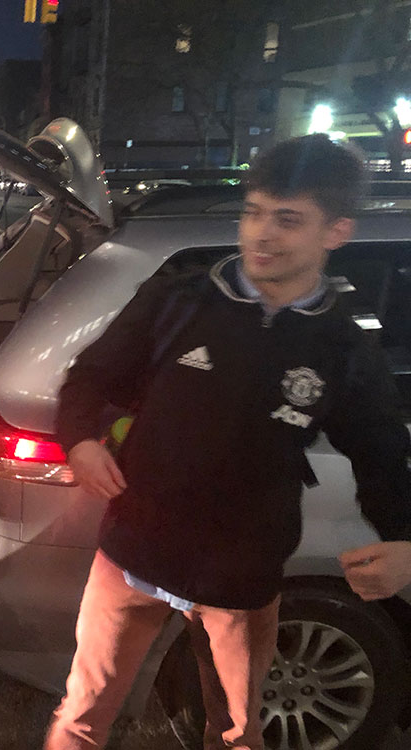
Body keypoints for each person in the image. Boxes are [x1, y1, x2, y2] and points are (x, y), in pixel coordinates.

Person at [45, 134, 411, 750]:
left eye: (287, 220)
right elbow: (90, 378)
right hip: (135, 554)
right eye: (253, 212)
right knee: (82, 716)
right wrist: (80, 439)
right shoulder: (180, 300)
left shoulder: (343, 349)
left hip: (242, 574)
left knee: (239, 733)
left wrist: (404, 539)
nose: (261, 233)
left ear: (337, 232)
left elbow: (380, 454)